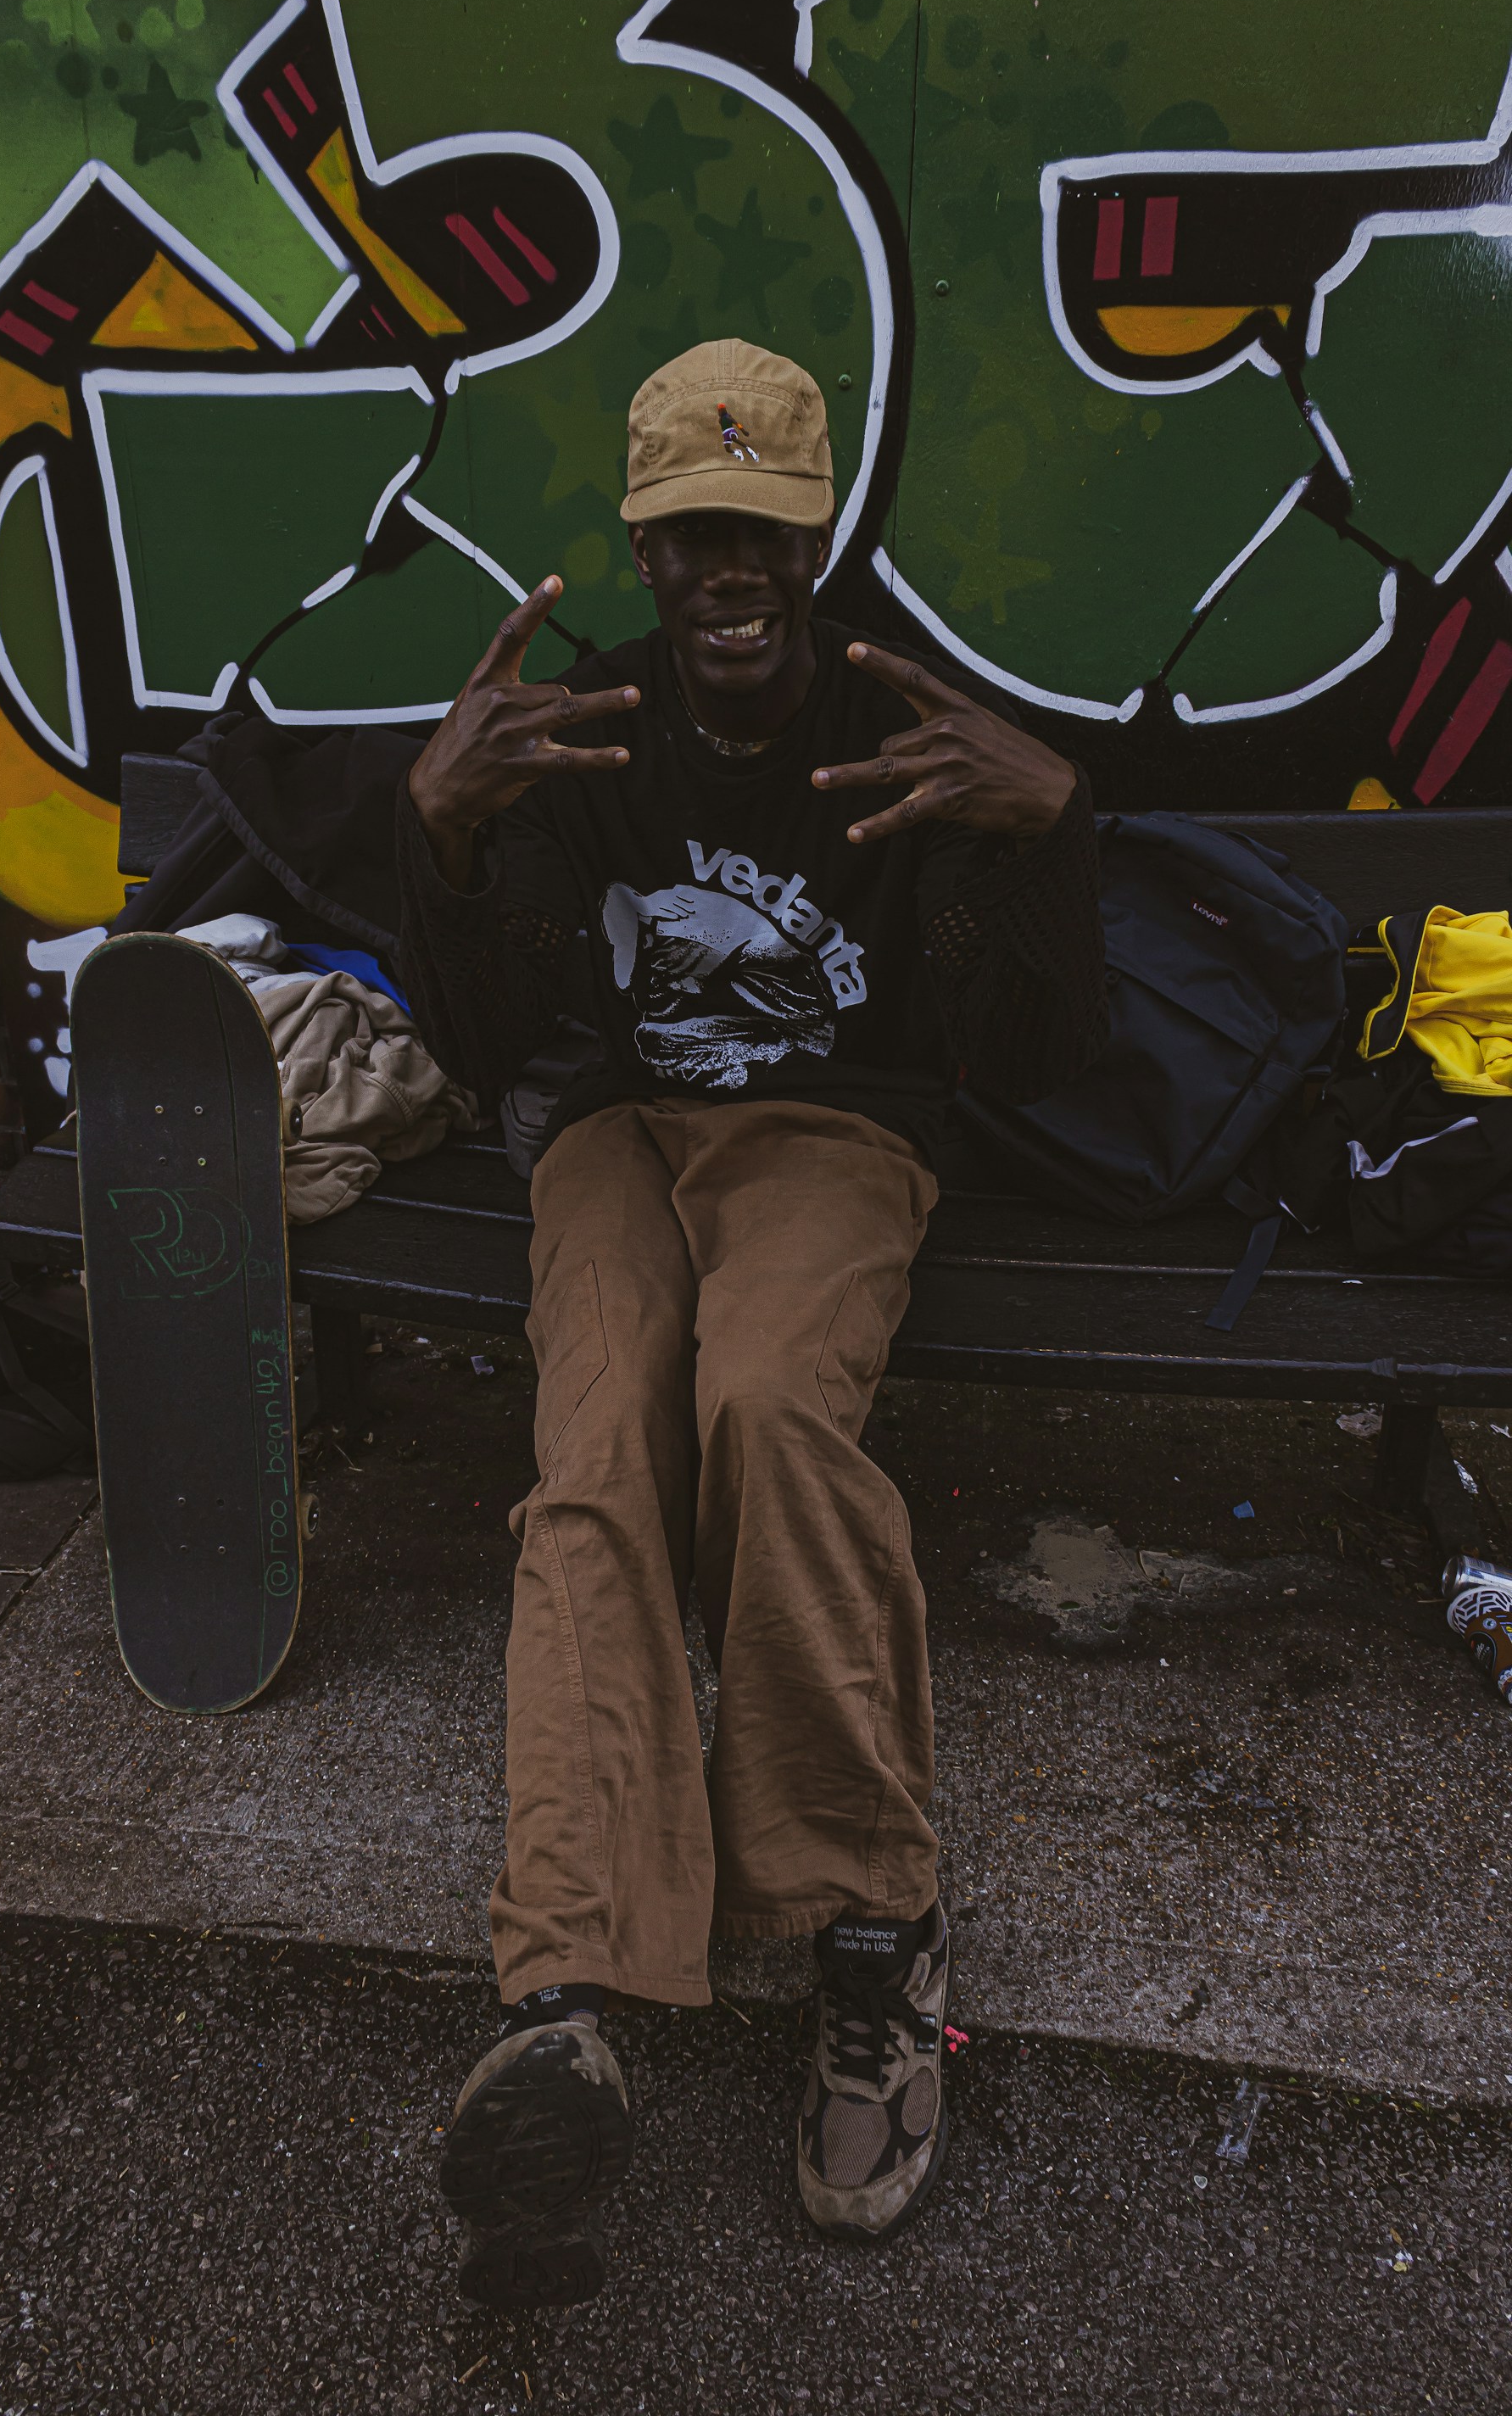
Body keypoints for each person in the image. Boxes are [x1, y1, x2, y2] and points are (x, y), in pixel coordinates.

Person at [395, 338, 1106, 2307]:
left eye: (766, 529)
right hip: (620, 1137)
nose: (731, 566)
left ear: (819, 536)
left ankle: (875, 1944)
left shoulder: (904, 717)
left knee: (773, 1409)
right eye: (696, 529)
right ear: (645, 533)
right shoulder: (592, 732)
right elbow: (480, 1038)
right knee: (600, 1441)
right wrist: (441, 846)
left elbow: (1046, 1054)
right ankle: (565, 1988)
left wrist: (1058, 829)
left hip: (831, 1134)